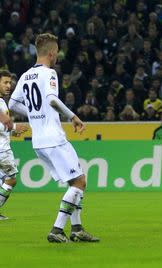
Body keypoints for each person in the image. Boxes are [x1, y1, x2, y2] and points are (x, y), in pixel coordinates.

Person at [9, 33, 99, 243]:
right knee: (79, 181)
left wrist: (33, 114)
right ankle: (57, 229)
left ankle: (76, 228)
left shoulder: (25, 75)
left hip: (38, 141)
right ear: (51, 53)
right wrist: (73, 116)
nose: (57, 56)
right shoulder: (49, 73)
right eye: (57, 53)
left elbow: (13, 104)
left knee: (76, 181)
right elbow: (51, 99)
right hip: (54, 138)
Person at [0, 70, 28, 220]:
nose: (8, 86)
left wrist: (12, 132)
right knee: (11, 179)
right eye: (5, 82)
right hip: (2, 151)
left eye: (9, 83)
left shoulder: (3, 102)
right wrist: (15, 127)